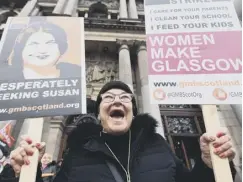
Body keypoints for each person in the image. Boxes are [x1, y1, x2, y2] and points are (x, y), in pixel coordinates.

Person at [9, 81, 236, 182]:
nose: (117, 101)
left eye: (124, 98)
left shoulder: (157, 144)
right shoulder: (78, 153)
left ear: (132, 113)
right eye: (108, 98)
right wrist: (23, 174)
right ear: (99, 114)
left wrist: (210, 165)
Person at [1, 20, 80, 80]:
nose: (42, 50)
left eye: (50, 43)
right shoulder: (5, 77)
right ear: (20, 49)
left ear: (61, 49)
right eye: (34, 44)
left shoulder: (76, 74)